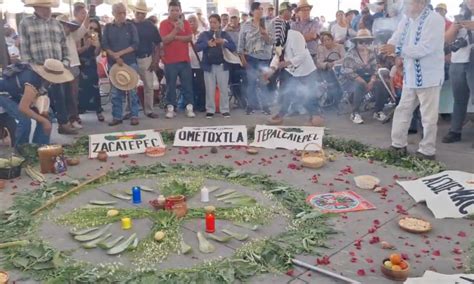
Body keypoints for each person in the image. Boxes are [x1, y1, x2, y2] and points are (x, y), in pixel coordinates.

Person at [381, 0, 445, 160]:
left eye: (409, 2)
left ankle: (427, 151)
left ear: (421, 2)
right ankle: (398, 144)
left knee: (428, 116)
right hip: (410, 76)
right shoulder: (407, 19)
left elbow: (426, 48)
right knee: (403, 109)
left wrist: (397, 50)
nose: (406, 6)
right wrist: (387, 46)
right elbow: (396, 36)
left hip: (429, 76)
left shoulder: (435, 19)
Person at [19, 0, 77, 135]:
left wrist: (65, 63)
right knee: (40, 100)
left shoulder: (57, 24)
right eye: (45, 7)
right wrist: (30, 67)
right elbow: (24, 48)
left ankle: (63, 123)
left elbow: (64, 47)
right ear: (36, 7)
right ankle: (43, 128)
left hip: (56, 69)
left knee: (61, 96)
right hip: (37, 68)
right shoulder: (26, 23)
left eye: (49, 7)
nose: (48, 10)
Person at [0, 59, 73, 147]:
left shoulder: (44, 80)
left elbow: (39, 97)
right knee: (25, 120)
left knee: (47, 116)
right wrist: (44, 121)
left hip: (18, 94)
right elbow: (23, 108)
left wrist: (44, 113)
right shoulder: (32, 80)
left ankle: (39, 147)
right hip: (4, 94)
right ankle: (21, 151)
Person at [266, 22, 324, 126]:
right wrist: (271, 69)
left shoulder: (296, 36)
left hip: (306, 70)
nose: (272, 35)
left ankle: (316, 116)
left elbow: (301, 55)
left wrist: (286, 63)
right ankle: (281, 115)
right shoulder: (279, 41)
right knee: (287, 93)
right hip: (291, 71)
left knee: (308, 94)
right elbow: (277, 56)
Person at [102, 3, 141, 126]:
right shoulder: (108, 27)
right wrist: (115, 56)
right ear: (113, 13)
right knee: (115, 92)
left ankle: (134, 115)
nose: (122, 15)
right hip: (114, 64)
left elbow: (135, 44)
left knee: (132, 91)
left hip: (130, 62)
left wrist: (120, 54)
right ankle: (117, 116)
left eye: (124, 12)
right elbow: (105, 45)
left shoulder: (130, 26)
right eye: (119, 13)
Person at [442, 0, 474, 145]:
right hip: (458, 61)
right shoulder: (460, 16)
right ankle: (455, 131)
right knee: (459, 99)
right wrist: (455, 27)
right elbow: (447, 39)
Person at [341, 29, 390, 124]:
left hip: (368, 77)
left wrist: (372, 81)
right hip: (351, 79)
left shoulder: (371, 52)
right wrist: (363, 82)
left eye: (367, 41)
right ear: (356, 42)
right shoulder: (350, 54)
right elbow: (348, 71)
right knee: (359, 85)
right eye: (361, 41)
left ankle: (378, 111)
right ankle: (355, 113)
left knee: (381, 84)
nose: (364, 44)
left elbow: (375, 68)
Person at [196, 14, 236, 118]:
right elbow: (197, 47)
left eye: (215, 22)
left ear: (219, 23)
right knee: (209, 89)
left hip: (223, 65)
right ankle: (210, 110)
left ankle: (225, 109)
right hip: (209, 65)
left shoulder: (224, 34)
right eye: (211, 22)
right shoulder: (204, 34)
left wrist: (223, 42)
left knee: (223, 88)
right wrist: (207, 44)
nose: (212, 24)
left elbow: (233, 47)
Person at [160, 1, 195, 119]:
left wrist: (174, 37)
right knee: (170, 86)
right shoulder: (164, 24)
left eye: (177, 10)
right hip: (170, 61)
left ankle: (189, 107)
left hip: (184, 60)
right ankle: (170, 107)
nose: (174, 12)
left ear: (180, 11)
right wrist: (176, 30)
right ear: (168, 11)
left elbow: (189, 37)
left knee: (187, 85)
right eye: (172, 10)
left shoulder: (185, 22)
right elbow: (165, 40)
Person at [237, 2, 273, 115]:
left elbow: (272, 41)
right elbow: (240, 43)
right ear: (252, 12)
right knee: (251, 83)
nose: (260, 11)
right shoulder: (245, 26)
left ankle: (265, 106)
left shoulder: (268, 24)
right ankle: (251, 106)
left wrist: (265, 35)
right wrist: (242, 58)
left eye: (262, 9)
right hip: (251, 57)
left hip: (265, 58)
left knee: (264, 82)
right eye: (258, 9)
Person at [131, 1, 162, 119]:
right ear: (134, 12)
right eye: (138, 13)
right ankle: (130, 111)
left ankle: (149, 110)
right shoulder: (128, 25)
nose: (140, 15)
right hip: (131, 59)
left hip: (146, 58)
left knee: (148, 85)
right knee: (130, 86)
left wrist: (155, 61)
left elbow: (158, 43)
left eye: (143, 13)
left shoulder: (150, 26)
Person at [58, 13, 88, 130]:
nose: (65, 28)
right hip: (60, 68)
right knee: (62, 96)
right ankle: (65, 120)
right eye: (62, 25)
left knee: (73, 95)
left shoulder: (72, 35)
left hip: (73, 66)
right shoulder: (54, 38)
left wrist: (90, 11)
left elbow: (84, 27)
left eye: (65, 25)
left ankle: (73, 118)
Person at [77, 18, 104, 122]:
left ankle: (98, 110)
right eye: (91, 27)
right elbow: (77, 51)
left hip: (91, 64)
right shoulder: (80, 36)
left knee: (95, 87)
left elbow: (96, 54)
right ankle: (80, 111)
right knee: (80, 89)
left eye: (95, 29)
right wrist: (86, 46)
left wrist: (97, 46)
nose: (92, 30)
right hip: (81, 64)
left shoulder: (96, 38)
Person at [316, 32, 345, 103]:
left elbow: (345, 58)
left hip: (339, 68)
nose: (326, 42)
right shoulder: (321, 48)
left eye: (328, 40)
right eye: (324, 41)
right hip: (327, 69)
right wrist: (326, 64)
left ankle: (339, 97)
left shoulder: (340, 47)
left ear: (332, 40)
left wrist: (334, 63)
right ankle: (332, 97)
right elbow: (319, 62)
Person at [225, 15, 247, 108]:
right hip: (232, 60)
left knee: (246, 80)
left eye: (235, 18)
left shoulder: (244, 29)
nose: (233, 20)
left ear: (239, 19)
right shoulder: (226, 31)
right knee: (234, 81)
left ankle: (246, 99)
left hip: (244, 58)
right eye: (232, 18)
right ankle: (239, 100)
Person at [188, 15, 206, 112]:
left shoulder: (202, 34)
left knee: (201, 85)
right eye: (189, 21)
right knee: (190, 85)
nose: (191, 23)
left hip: (200, 63)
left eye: (193, 21)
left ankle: (202, 104)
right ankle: (192, 104)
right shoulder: (186, 35)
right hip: (188, 64)